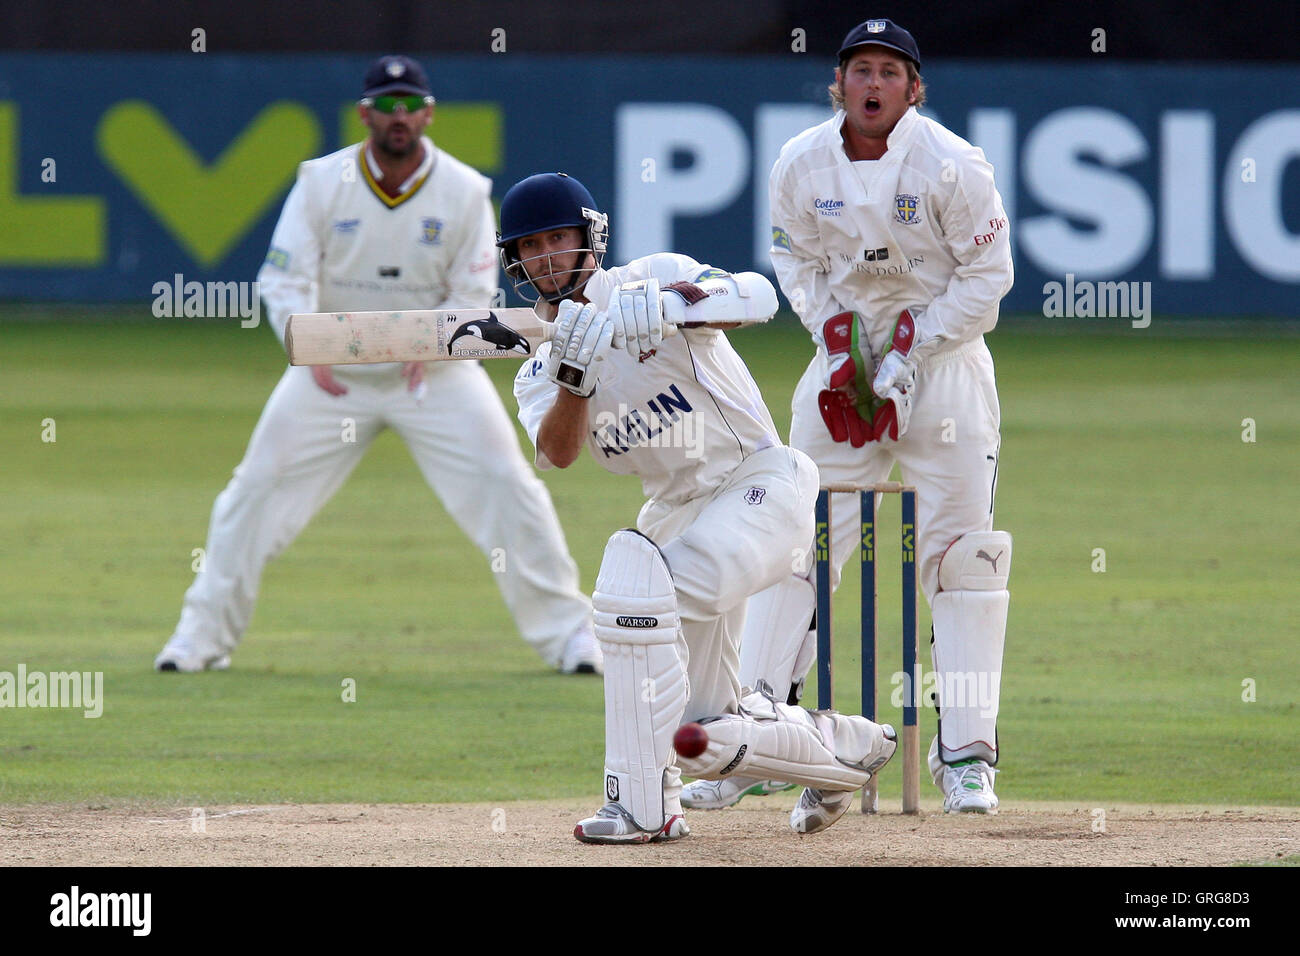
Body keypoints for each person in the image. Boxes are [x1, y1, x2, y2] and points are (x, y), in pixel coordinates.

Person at [155, 56, 600, 676]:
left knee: (509, 484)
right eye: (386, 105)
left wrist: (434, 347)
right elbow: (283, 277)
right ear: (365, 114)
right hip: (331, 377)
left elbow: (474, 294)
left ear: (428, 113)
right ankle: (199, 639)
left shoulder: (466, 190)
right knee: (251, 491)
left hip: (434, 375)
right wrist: (307, 350)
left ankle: (571, 635)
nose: (399, 117)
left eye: (409, 105)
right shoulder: (320, 181)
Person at [502, 172, 898, 843]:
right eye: (531, 246)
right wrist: (575, 377)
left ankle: (639, 808)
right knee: (707, 733)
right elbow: (558, 452)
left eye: (558, 239)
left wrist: (674, 305)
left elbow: (754, 296)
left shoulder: (654, 276)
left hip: (759, 483)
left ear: (589, 240)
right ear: (515, 261)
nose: (546, 258)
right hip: (676, 512)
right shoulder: (538, 370)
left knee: (631, 597)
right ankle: (847, 751)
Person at [683, 18, 1014, 814]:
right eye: (860, 70)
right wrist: (838, 346)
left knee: (964, 560)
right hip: (842, 365)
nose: (873, 85)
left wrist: (913, 350)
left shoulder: (951, 164)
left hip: (944, 370)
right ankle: (751, 745)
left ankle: (965, 755)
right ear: (839, 83)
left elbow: (991, 275)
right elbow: (794, 258)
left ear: (913, 88)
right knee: (790, 546)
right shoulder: (802, 162)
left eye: (889, 73)